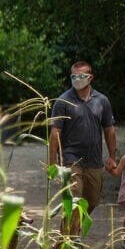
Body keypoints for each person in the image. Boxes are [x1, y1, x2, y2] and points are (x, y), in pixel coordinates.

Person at [49, 61, 117, 235]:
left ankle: (72, 231)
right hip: (71, 159)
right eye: (74, 76)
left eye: (81, 76)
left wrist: (112, 156)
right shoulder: (63, 101)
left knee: (92, 201)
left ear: (90, 77)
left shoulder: (102, 100)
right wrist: (53, 165)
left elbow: (109, 129)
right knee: (73, 200)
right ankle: (67, 242)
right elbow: (55, 132)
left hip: (94, 160)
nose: (77, 79)